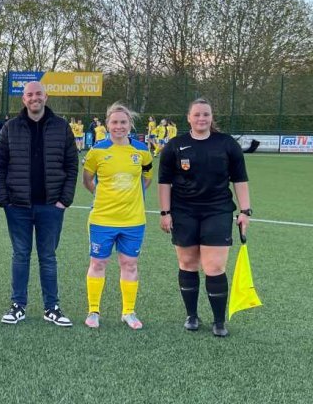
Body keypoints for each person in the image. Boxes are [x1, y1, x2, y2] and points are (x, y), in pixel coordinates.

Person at [158, 98, 251, 337]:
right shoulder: (175, 146)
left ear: (212, 117)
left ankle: (219, 322)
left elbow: (240, 179)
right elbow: (164, 182)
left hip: (218, 210)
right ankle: (191, 316)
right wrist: (165, 213)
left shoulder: (226, 144)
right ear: (188, 117)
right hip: (184, 212)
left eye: (206, 115)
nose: (202, 119)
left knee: (214, 266)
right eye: (197, 114)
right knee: (187, 264)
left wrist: (245, 211)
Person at [0, 81, 78, 327]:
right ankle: (18, 305)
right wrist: (3, 199)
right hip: (17, 206)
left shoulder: (61, 127)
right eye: (29, 94)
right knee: (20, 255)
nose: (34, 98)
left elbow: (72, 165)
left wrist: (65, 199)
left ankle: (52, 307)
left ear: (46, 96)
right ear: (23, 99)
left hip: (51, 206)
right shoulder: (11, 127)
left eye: (38, 94)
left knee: (48, 257)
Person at [82, 103, 153, 330]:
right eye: (115, 122)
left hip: (133, 220)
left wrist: (134, 197)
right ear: (107, 125)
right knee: (98, 262)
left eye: (123, 122)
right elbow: (87, 179)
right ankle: (93, 311)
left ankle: (128, 312)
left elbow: (147, 177)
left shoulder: (142, 150)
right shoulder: (97, 151)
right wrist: (101, 195)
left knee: (129, 264)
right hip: (102, 219)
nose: (119, 126)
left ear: (130, 125)